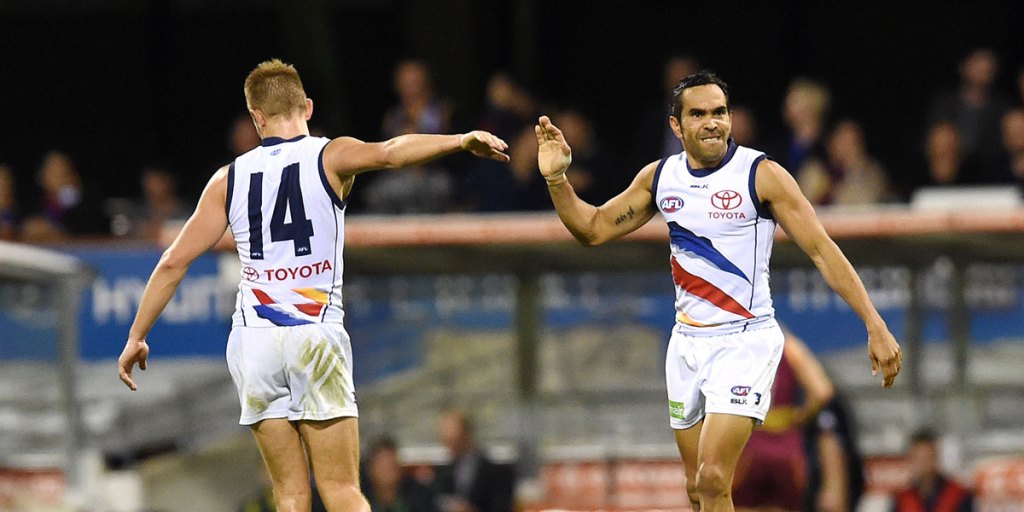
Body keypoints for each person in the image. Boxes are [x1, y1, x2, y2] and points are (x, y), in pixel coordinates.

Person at [116, 59, 509, 512]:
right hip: (314, 333)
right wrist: (460, 140)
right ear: (307, 106)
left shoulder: (228, 179)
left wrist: (137, 335)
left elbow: (172, 262)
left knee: (289, 494)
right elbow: (391, 150)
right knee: (341, 489)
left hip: (255, 340)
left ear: (256, 118)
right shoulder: (330, 155)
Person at [534, 70, 901, 512]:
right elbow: (591, 229)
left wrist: (874, 323)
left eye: (720, 112)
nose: (712, 122)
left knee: (711, 477)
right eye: (699, 113)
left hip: (746, 340)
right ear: (677, 126)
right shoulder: (661, 178)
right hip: (687, 343)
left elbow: (823, 251)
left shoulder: (762, 175)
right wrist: (557, 181)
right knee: (696, 488)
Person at [732, 330, 835, 512]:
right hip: (787, 446)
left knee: (739, 506)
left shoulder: (742, 346)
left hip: (748, 443)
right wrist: (801, 416)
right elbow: (822, 391)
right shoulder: (790, 347)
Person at [433, 410, 515, 512]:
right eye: (446, 441)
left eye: (454, 440)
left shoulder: (497, 471)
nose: (450, 446)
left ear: (467, 434)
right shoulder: (442, 471)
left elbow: (503, 506)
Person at [891, 430, 974, 512]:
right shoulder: (901, 500)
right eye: (919, 459)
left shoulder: (958, 495)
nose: (924, 465)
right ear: (911, 460)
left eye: (928, 458)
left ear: (936, 457)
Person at [362, 436, 439, 512]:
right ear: (370, 470)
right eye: (383, 466)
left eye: (392, 465)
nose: (389, 471)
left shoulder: (420, 495)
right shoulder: (360, 498)